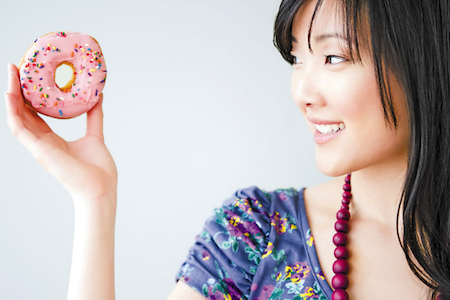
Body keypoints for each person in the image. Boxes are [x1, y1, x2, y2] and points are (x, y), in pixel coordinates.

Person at [5, 0, 450, 299]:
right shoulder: (251, 236)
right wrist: (95, 201)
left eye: (333, 58)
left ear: (422, 60)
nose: (302, 91)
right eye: (297, 59)